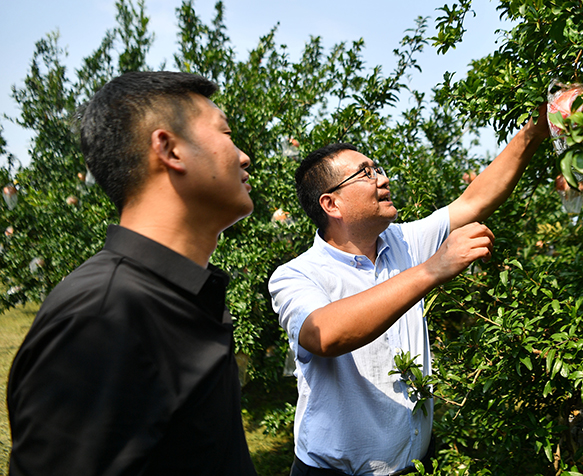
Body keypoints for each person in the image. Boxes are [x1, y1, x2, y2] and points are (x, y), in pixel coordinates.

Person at [269, 104, 551, 475]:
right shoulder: (296, 275)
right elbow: (324, 335)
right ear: (331, 203)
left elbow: (474, 201)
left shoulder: (403, 241)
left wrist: (536, 129)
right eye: (365, 174)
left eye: (379, 169)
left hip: (415, 466)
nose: (383, 179)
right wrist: (433, 269)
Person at [6, 71, 258, 476]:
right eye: (226, 134)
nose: (244, 156)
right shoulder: (103, 319)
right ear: (170, 148)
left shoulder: (184, 294)